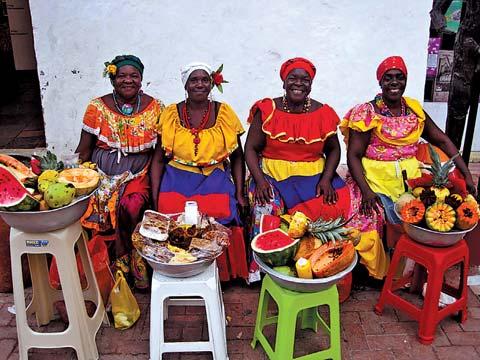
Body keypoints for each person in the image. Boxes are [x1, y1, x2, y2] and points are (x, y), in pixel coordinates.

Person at [340, 56, 476, 281]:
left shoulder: (413, 110)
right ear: (380, 82)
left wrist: (467, 175)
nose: (394, 82)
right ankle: (375, 275)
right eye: (388, 78)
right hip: (372, 181)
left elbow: (442, 141)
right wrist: (365, 191)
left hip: (410, 181)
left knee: (427, 212)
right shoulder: (366, 113)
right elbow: (353, 155)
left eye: (399, 77)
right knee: (370, 217)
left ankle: (408, 270)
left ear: (405, 80)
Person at [150, 62, 248, 282]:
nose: (200, 84)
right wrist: (155, 197)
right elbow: (158, 159)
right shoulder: (171, 114)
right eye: (194, 80)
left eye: (205, 80)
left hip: (213, 175)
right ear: (185, 85)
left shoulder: (224, 113)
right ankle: (178, 270)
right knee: (171, 214)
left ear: (212, 83)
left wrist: (240, 193)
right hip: (177, 175)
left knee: (222, 211)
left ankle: (222, 275)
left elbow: (238, 156)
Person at [76, 55, 164, 289]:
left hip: (138, 172)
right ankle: (103, 269)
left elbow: (160, 152)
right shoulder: (97, 106)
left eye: (134, 76)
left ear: (141, 79)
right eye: (122, 76)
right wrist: (72, 176)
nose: (128, 80)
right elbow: (84, 149)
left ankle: (133, 264)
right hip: (102, 173)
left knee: (132, 204)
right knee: (91, 207)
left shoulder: (155, 107)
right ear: (112, 78)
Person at [245, 57, 351, 247]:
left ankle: (318, 259)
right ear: (284, 81)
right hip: (272, 174)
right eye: (293, 78)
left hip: (314, 175)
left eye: (305, 80)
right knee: (267, 207)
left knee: (335, 204)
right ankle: (266, 263)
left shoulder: (323, 113)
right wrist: (259, 180)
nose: (299, 84)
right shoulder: (268, 109)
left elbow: (334, 149)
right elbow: (250, 148)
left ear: (311, 85)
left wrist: (326, 179)